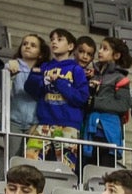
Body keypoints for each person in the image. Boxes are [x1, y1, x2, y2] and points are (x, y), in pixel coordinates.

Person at [23, 27, 86, 169]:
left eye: (59, 39)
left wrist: (59, 82)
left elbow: (81, 98)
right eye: (52, 39)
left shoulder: (76, 69)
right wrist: (43, 80)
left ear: (70, 46)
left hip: (68, 124)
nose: (54, 42)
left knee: (66, 167)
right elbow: (30, 88)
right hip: (44, 122)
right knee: (30, 161)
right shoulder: (44, 67)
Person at [83, 36, 131, 169]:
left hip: (108, 131)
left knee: (104, 171)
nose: (100, 51)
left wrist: (94, 102)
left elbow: (122, 105)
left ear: (116, 55)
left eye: (105, 49)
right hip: (91, 128)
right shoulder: (92, 75)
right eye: (100, 48)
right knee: (87, 170)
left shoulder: (121, 78)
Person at [5, 33, 48, 157]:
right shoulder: (11, 65)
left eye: (33, 45)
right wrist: (10, 74)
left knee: (30, 160)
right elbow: (3, 91)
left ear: (40, 54)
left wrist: (38, 123)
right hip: (13, 121)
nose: (27, 47)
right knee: (12, 158)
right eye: (25, 44)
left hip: (35, 123)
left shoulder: (44, 71)